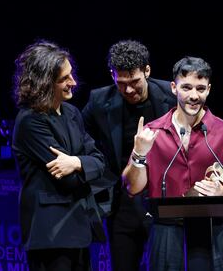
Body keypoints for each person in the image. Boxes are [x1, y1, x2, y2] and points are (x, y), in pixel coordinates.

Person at [122, 56, 223, 270]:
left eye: (200, 88)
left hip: (211, 229)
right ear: (174, 88)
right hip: (165, 230)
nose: (194, 96)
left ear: (209, 89)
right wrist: (139, 154)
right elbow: (132, 187)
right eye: (186, 87)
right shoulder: (152, 132)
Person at [12, 40, 110, 271]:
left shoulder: (72, 113)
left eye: (71, 74)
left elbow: (100, 161)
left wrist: (76, 162)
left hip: (79, 225)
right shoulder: (30, 121)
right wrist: (83, 166)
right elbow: (68, 179)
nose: (73, 82)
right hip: (51, 233)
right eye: (64, 78)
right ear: (45, 83)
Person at [81, 39, 177, 271]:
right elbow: (81, 139)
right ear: (112, 75)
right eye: (121, 83)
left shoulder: (172, 95)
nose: (129, 90)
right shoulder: (99, 101)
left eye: (134, 81)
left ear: (147, 70)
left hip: (164, 197)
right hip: (122, 200)